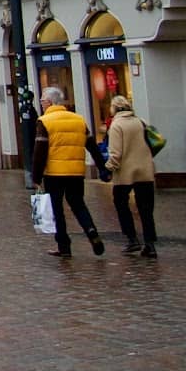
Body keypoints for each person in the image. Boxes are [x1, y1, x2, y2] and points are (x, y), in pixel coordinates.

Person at [32, 86, 105, 259]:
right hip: (76, 172)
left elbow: (39, 152)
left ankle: (64, 246)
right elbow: (92, 146)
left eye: (42, 100)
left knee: (57, 209)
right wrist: (102, 167)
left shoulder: (45, 121)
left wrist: (36, 177)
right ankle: (91, 230)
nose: (41, 103)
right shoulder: (78, 120)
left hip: (54, 174)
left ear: (49, 102)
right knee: (78, 204)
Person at [103, 95, 157, 258]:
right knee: (146, 209)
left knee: (121, 204)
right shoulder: (141, 122)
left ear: (114, 108)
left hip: (125, 173)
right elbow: (153, 141)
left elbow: (115, 153)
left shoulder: (116, 125)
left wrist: (108, 169)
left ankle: (132, 238)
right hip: (145, 171)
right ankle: (150, 243)